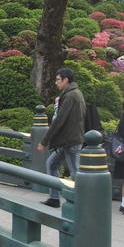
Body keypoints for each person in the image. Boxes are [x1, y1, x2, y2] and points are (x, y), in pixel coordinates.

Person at [37, 68, 86, 208]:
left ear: (66, 80)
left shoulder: (70, 96)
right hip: (69, 139)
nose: (56, 82)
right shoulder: (74, 93)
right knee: (52, 165)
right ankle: (54, 197)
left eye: (58, 79)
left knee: (75, 172)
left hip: (70, 140)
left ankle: (82, 201)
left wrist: (44, 141)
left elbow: (59, 120)